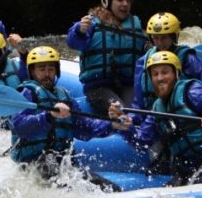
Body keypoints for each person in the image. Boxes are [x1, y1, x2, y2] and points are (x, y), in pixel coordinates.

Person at [118, 50, 202, 186]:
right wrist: (124, 127)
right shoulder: (157, 109)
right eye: (155, 74)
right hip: (190, 167)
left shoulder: (192, 92)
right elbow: (141, 143)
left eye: (165, 72)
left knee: (195, 185)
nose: (160, 78)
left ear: (176, 74)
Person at [10, 47, 130, 179]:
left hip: (62, 165)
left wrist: (111, 124)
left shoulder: (65, 97)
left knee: (105, 186)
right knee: (56, 177)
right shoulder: (27, 93)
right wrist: (48, 116)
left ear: (56, 71)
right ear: (32, 72)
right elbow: (19, 127)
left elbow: (85, 128)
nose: (47, 74)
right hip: (32, 166)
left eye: (51, 69)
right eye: (42, 69)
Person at [66, 0, 149, 113]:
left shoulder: (136, 25)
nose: (125, 4)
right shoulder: (91, 23)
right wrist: (79, 30)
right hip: (98, 87)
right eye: (120, 0)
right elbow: (73, 42)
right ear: (107, 1)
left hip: (127, 84)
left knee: (138, 111)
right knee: (121, 110)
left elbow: (149, 52)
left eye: (128, 0)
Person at [130, 11, 202, 120]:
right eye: (156, 38)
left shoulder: (189, 60)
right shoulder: (143, 62)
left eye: (164, 37)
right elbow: (138, 103)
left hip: (184, 117)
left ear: (174, 36)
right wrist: (128, 120)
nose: (160, 43)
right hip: (154, 119)